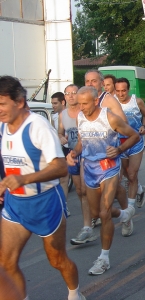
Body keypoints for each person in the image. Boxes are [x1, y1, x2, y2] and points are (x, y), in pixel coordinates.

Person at [0, 76, 85, 300]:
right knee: (6, 263)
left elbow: (60, 167)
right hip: (15, 204)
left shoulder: (38, 126)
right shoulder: (3, 127)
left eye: (1, 103)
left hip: (45, 203)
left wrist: (24, 179)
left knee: (57, 259)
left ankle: (75, 294)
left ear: (19, 101)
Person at [66, 86, 139, 275]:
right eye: (79, 103)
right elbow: (82, 141)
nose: (81, 107)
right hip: (89, 168)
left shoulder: (110, 117)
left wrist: (119, 150)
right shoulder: (80, 117)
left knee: (105, 212)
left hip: (109, 167)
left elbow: (134, 135)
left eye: (85, 103)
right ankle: (124, 215)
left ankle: (103, 258)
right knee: (95, 212)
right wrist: (73, 153)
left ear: (96, 100)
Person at [85, 69, 129, 228]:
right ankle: (95, 217)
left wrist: (108, 126)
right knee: (91, 190)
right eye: (87, 81)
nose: (90, 84)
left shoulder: (108, 100)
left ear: (102, 84)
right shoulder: (84, 99)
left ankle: (126, 215)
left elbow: (124, 122)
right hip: (90, 156)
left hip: (108, 156)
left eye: (94, 81)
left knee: (117, 189)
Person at [58, 84, 96, 245]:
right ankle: (89, 223)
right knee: (80, 190)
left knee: (91, 191)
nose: (71, 96)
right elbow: (60, 131)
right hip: (72, 154)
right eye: (68, 93)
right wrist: (61, 137)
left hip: (90, 154)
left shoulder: (85, 111)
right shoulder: (62, 115)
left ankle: (93, 221)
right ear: (65, 97)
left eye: (74, 93)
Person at [115, 77, 145, 208]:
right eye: (117, 91)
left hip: (136, 141)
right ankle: (140, 189)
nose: (120, 94)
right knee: (125, 173)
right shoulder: (111, 103)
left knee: (132, 174)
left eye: (123, 91)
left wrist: (144, 126)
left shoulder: (137, 101)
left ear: (128, 90)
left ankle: (130, 208)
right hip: (120, 143)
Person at [51, 92, 70, 206]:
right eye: (52, 103)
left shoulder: (69, 113)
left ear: (62, 102)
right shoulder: (54, 116)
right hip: (62, 149)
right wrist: (60, 137)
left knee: (81, 186)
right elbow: (57, 133)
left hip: (74, 148)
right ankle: (64, 205)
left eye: (55, 103)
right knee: (63, 179)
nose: (53, 106)